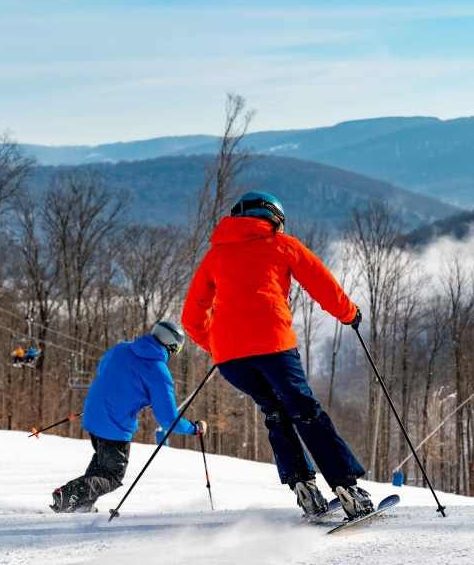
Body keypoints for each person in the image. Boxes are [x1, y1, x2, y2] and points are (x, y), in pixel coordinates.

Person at [181, 191, 372, 520]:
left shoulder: (215, 256)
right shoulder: (282, 244)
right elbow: (321, 284)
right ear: (273, 218)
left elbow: (191, 318)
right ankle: (346, 487)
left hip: (231, 360)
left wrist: (218, 346)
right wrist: (349, 314)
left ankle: (303, 488)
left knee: (275, 413)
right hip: (274, 348)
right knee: (305, 411)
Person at [50, 321, 206, 513]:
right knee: (113, 476)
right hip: (114, 425)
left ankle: (82, 504)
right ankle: (69, 494)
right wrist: (194, 428)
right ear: (172, 346)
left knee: (102, 466)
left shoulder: (121, 348)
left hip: (93, 414)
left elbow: (103, 371)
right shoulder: (158, 371)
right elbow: (168, 420)